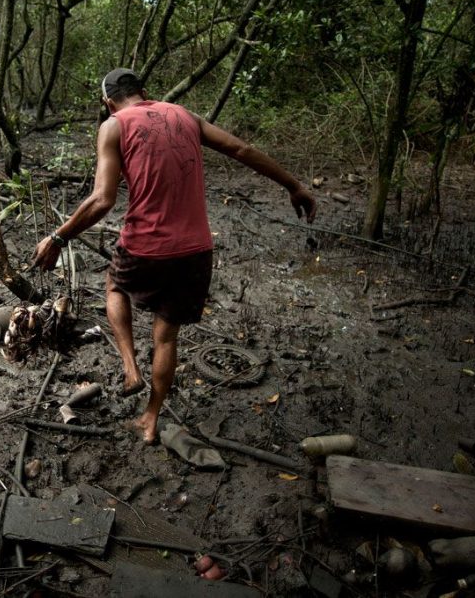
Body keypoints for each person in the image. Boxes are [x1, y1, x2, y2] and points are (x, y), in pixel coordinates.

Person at [32, 68, 317, 444]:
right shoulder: (186, 116)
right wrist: (293, 186)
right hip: (196, 250)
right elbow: (241, 150)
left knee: (115, 284)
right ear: (145, 92)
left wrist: (58, 237)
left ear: (107, 102)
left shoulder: (114, 125)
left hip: (145, 245)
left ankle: (131, 366)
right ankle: (150, 419)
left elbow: (103, 199)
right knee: (166, 337)